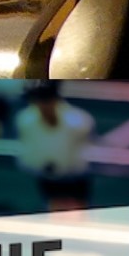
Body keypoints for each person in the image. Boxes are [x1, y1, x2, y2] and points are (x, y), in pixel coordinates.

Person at [16, 82, 99, 210]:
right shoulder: (25, 120)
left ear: (55, 99)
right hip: (46, 179)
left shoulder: (80, 121)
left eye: (46, 100)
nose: (43, 105)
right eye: (38, 100)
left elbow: (86, 158)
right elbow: (26, 156)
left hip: (76, 180)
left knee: (76, 218)